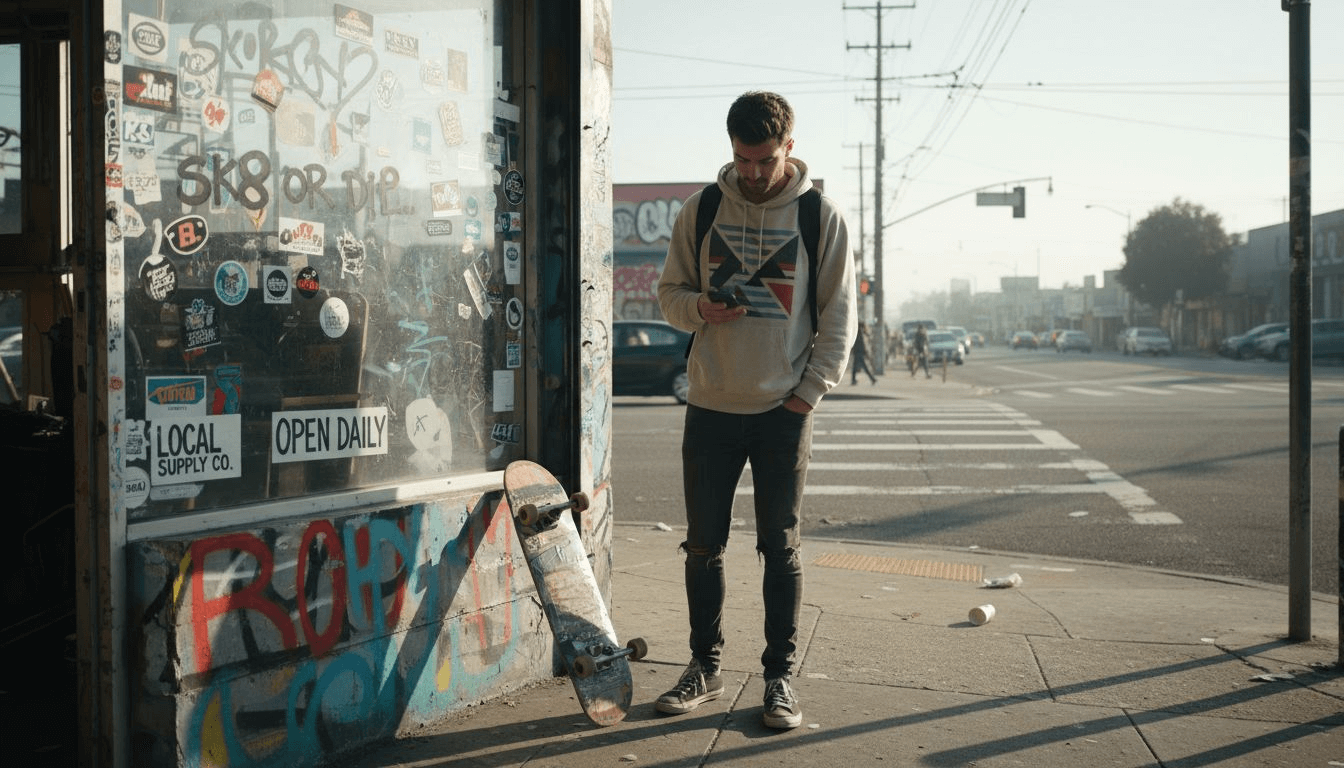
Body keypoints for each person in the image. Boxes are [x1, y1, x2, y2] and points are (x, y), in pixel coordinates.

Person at [655, 91, 856, 730]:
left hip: (782, 410)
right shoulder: (702, 209)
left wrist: (806, 396)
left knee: (780, 547)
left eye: (765, 160)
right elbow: (669, 294)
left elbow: (839, 318)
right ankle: (704, 667)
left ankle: (778, 679)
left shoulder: (820, 217)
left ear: (788, 147)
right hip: (710, 403)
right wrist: (698, 309)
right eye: (742, 159)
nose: (752, 172)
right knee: (702, 546)